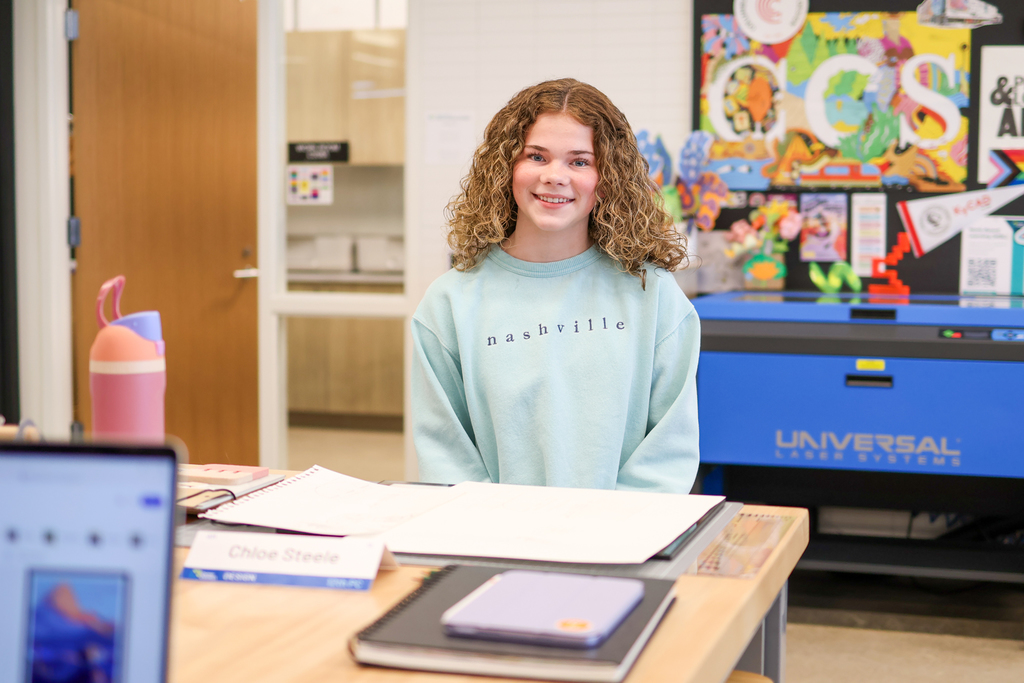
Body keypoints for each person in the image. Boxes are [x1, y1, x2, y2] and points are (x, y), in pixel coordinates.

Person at [411, 78, 700, 494]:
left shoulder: (652, 296)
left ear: (608, 177)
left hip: (622, 544)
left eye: (579, 161)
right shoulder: (448, 304)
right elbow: (446, 457)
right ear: (505, 167)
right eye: (536, 156)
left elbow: (666, 455)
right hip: (493, 545)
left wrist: (608, 540)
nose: (555, 176)